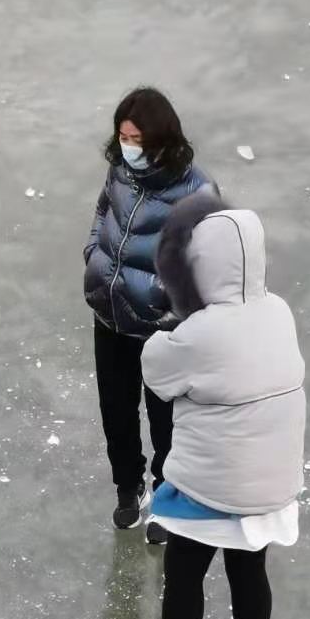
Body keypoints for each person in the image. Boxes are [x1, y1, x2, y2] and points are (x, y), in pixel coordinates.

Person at [116, 193, 305, 619]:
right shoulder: (278, 311)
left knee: (183, 574)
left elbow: (157, 373)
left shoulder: (200, 332)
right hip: (269, 484)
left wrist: (168, 325)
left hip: (213, 486)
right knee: (250, 572)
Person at [83, 87, 214, 543]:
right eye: (123, 137)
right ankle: (128, 486)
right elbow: (103, 209)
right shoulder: (120, 172)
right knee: (116, 411)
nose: (127, 147)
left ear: (161, 138)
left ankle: (165, 495)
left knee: (166, 422)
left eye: (136, 139)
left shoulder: (197, 193)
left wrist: (166, 302)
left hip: (161, 330)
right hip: (110, 314)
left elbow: (208, 264)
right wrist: (94, 253)